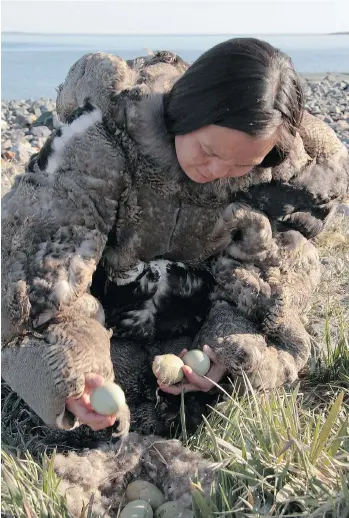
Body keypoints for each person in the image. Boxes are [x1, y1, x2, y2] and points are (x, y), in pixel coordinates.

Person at [2, 38, 348, 440]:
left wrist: (224, 350)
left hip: (192, 314)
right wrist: (72, 363)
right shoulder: (102, 143)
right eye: (207, 150)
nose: (217, 171)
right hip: (102, 311)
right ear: (188, 108)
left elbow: (268, 275)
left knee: (219, 390)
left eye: (240, 165)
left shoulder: (273, 176)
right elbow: (42, 263)